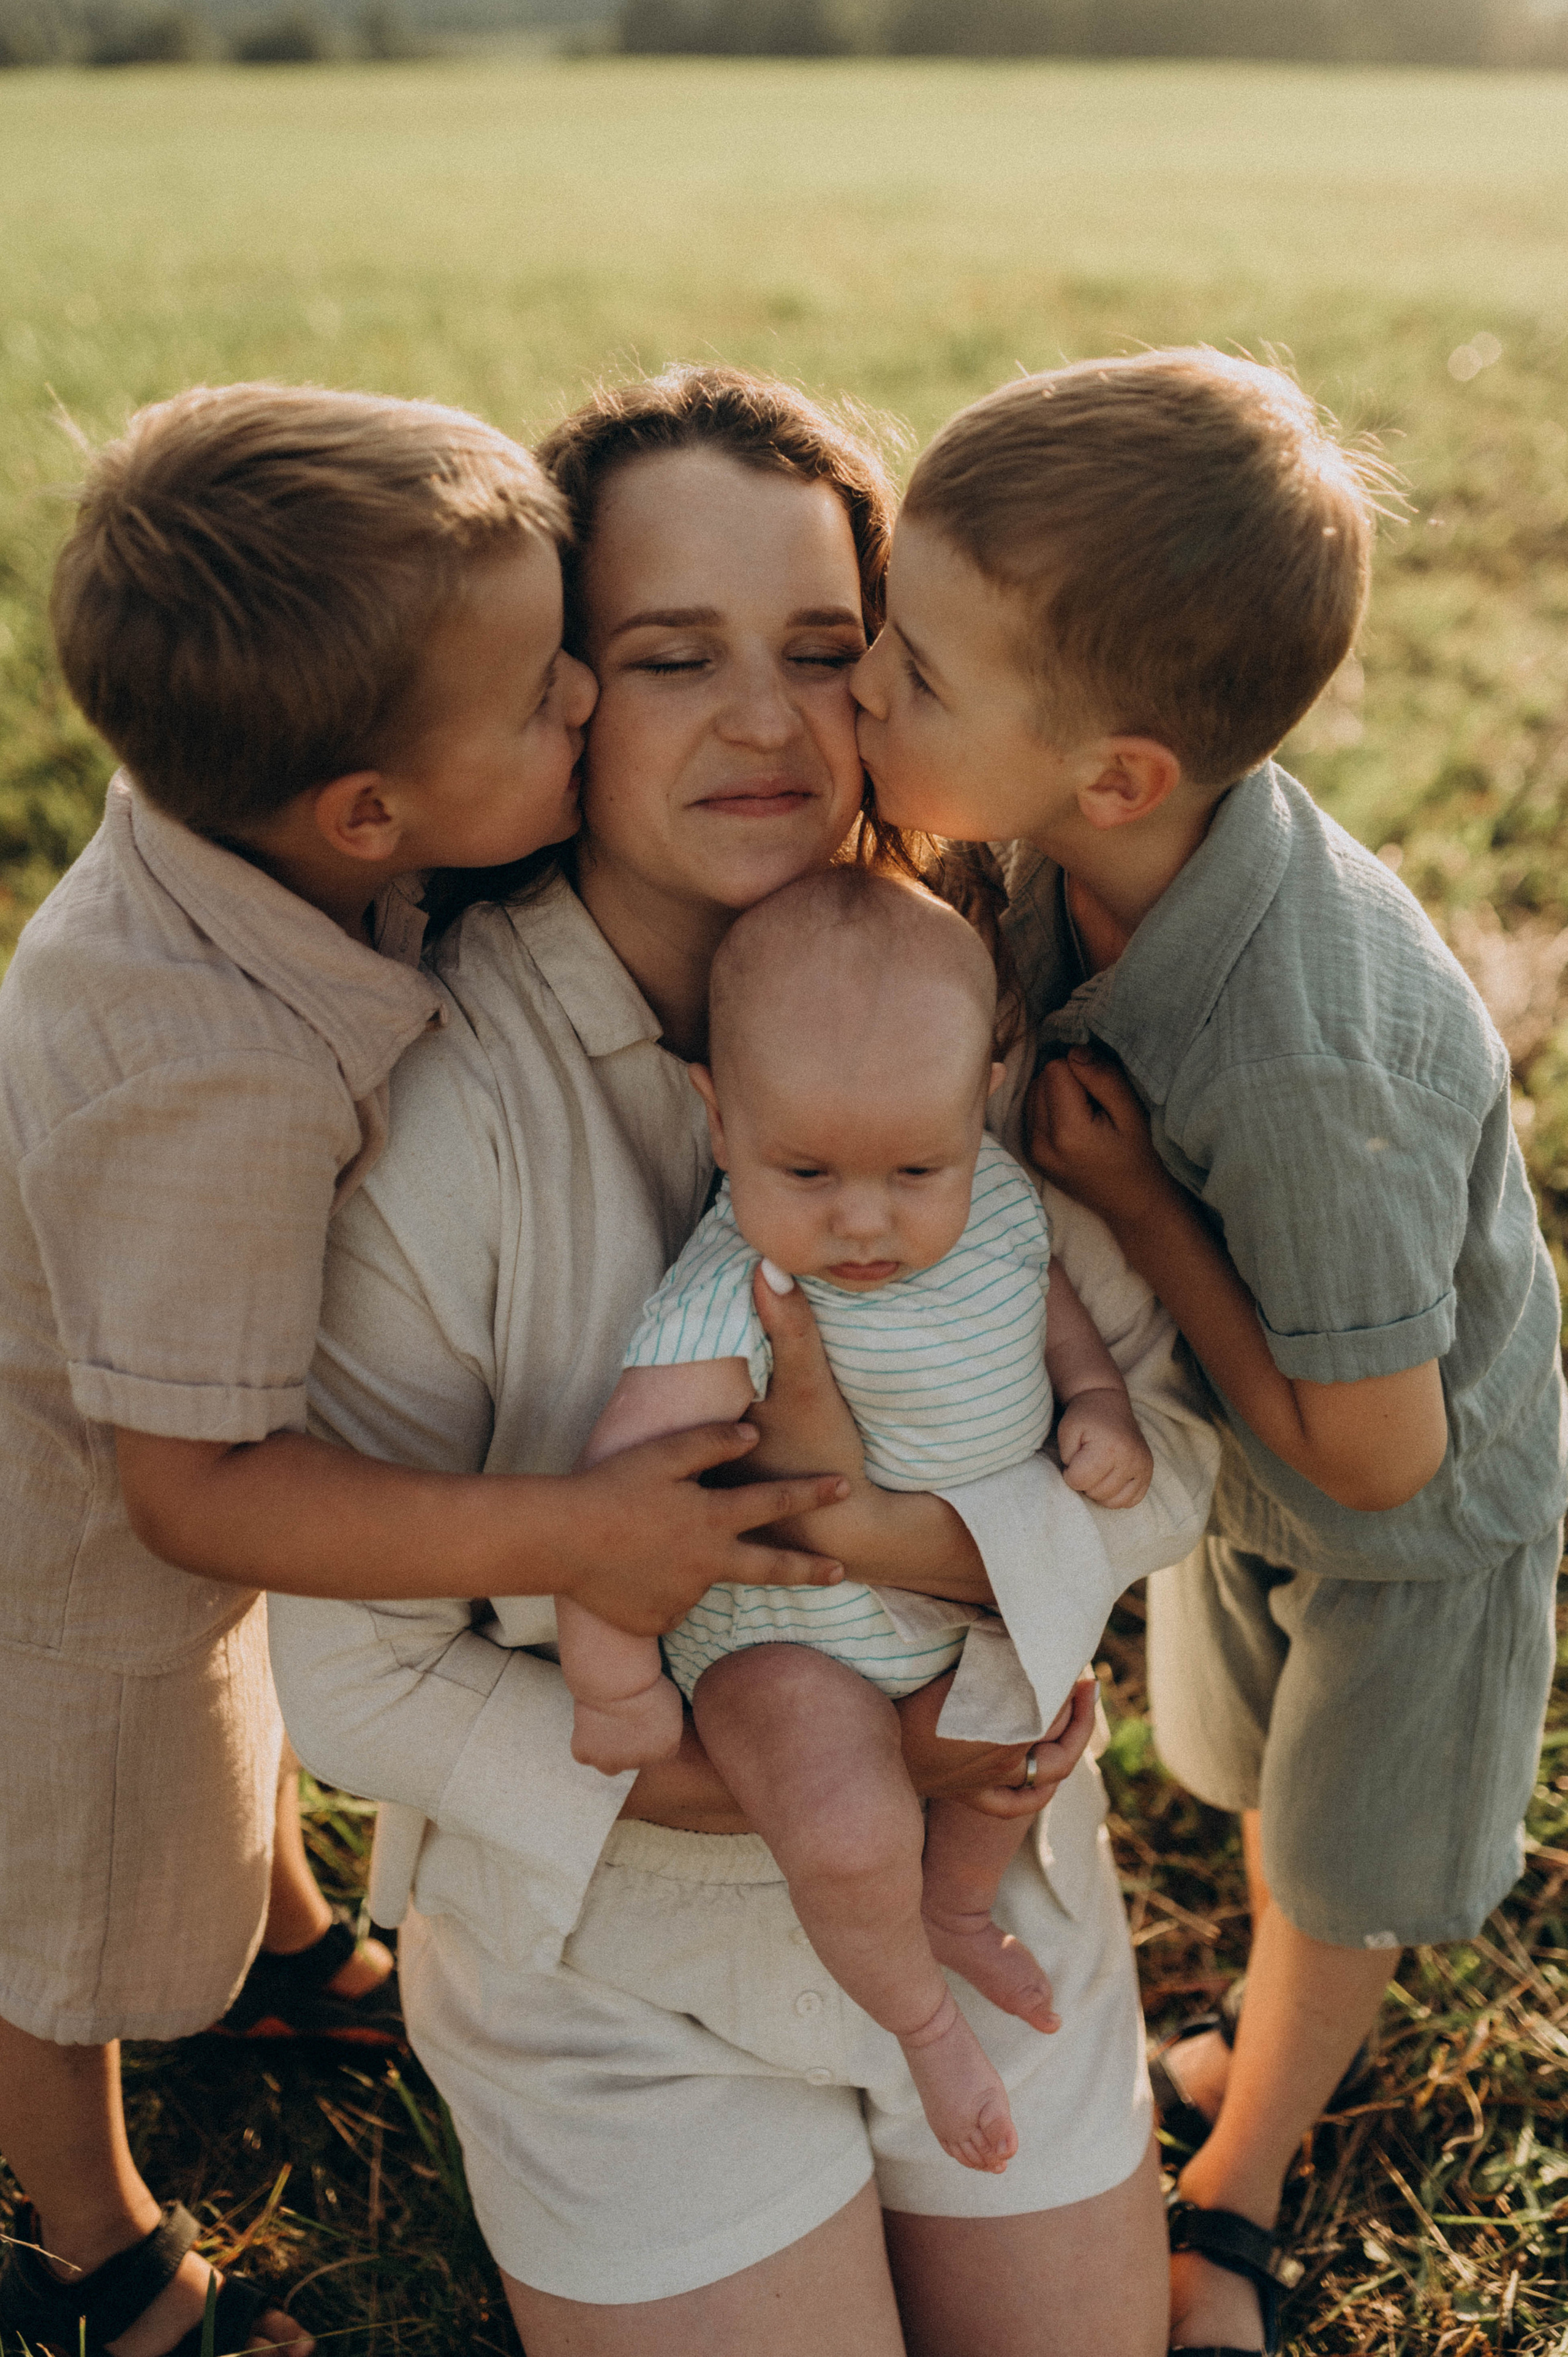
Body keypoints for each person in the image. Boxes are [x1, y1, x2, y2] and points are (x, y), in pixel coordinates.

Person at [270, 364, 1221, 2357]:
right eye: (673, 653)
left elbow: (1180, 1465)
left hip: (992, 1875)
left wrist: (920, 1551)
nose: (769, 719)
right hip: (621, 1949)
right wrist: (753, 1785)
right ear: (562, 691)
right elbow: (343, 1664)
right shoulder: (437, 1100)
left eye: (818, 647)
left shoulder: (963, 992)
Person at [0, 382, 850, 2357]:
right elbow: (196, 1497)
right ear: (367, 818)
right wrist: (575, 1527)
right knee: (73, 1887)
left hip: (166, 1402)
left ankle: (295, 1948)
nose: (584, 703)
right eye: (554, 695)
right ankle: (99, 2250)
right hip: (65, 1536)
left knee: (242, 1738)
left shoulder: (273, 823)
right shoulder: (205, 1070)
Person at [849, 345, 1568, 2356]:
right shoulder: (1083, 848)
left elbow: (1379, 1453)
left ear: (1119, 774)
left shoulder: (1301, 1052)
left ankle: (1240, 2189)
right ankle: (1243, 2045)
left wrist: (1149, 1207)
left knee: (1339, 1864)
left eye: (908, 670)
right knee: (1247, 1775)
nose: (860, 695)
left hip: (1408, 1522)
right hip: (1237, 1463)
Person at [559, 867, 1156, 2174]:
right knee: (843, 1824)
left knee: (1040, 1719)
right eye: (808, 1168)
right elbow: (617, 1497)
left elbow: (1044, 1297)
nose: (865, 1218)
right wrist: (608, 1677)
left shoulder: (990, 1193)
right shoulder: (741, 1288)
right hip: (786, 1641)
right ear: (717, 1119)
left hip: (951, 1610)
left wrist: (1097, 1398)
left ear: (976, 1103)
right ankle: (921, 2018)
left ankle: (949, 1905)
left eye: (911, 1167)